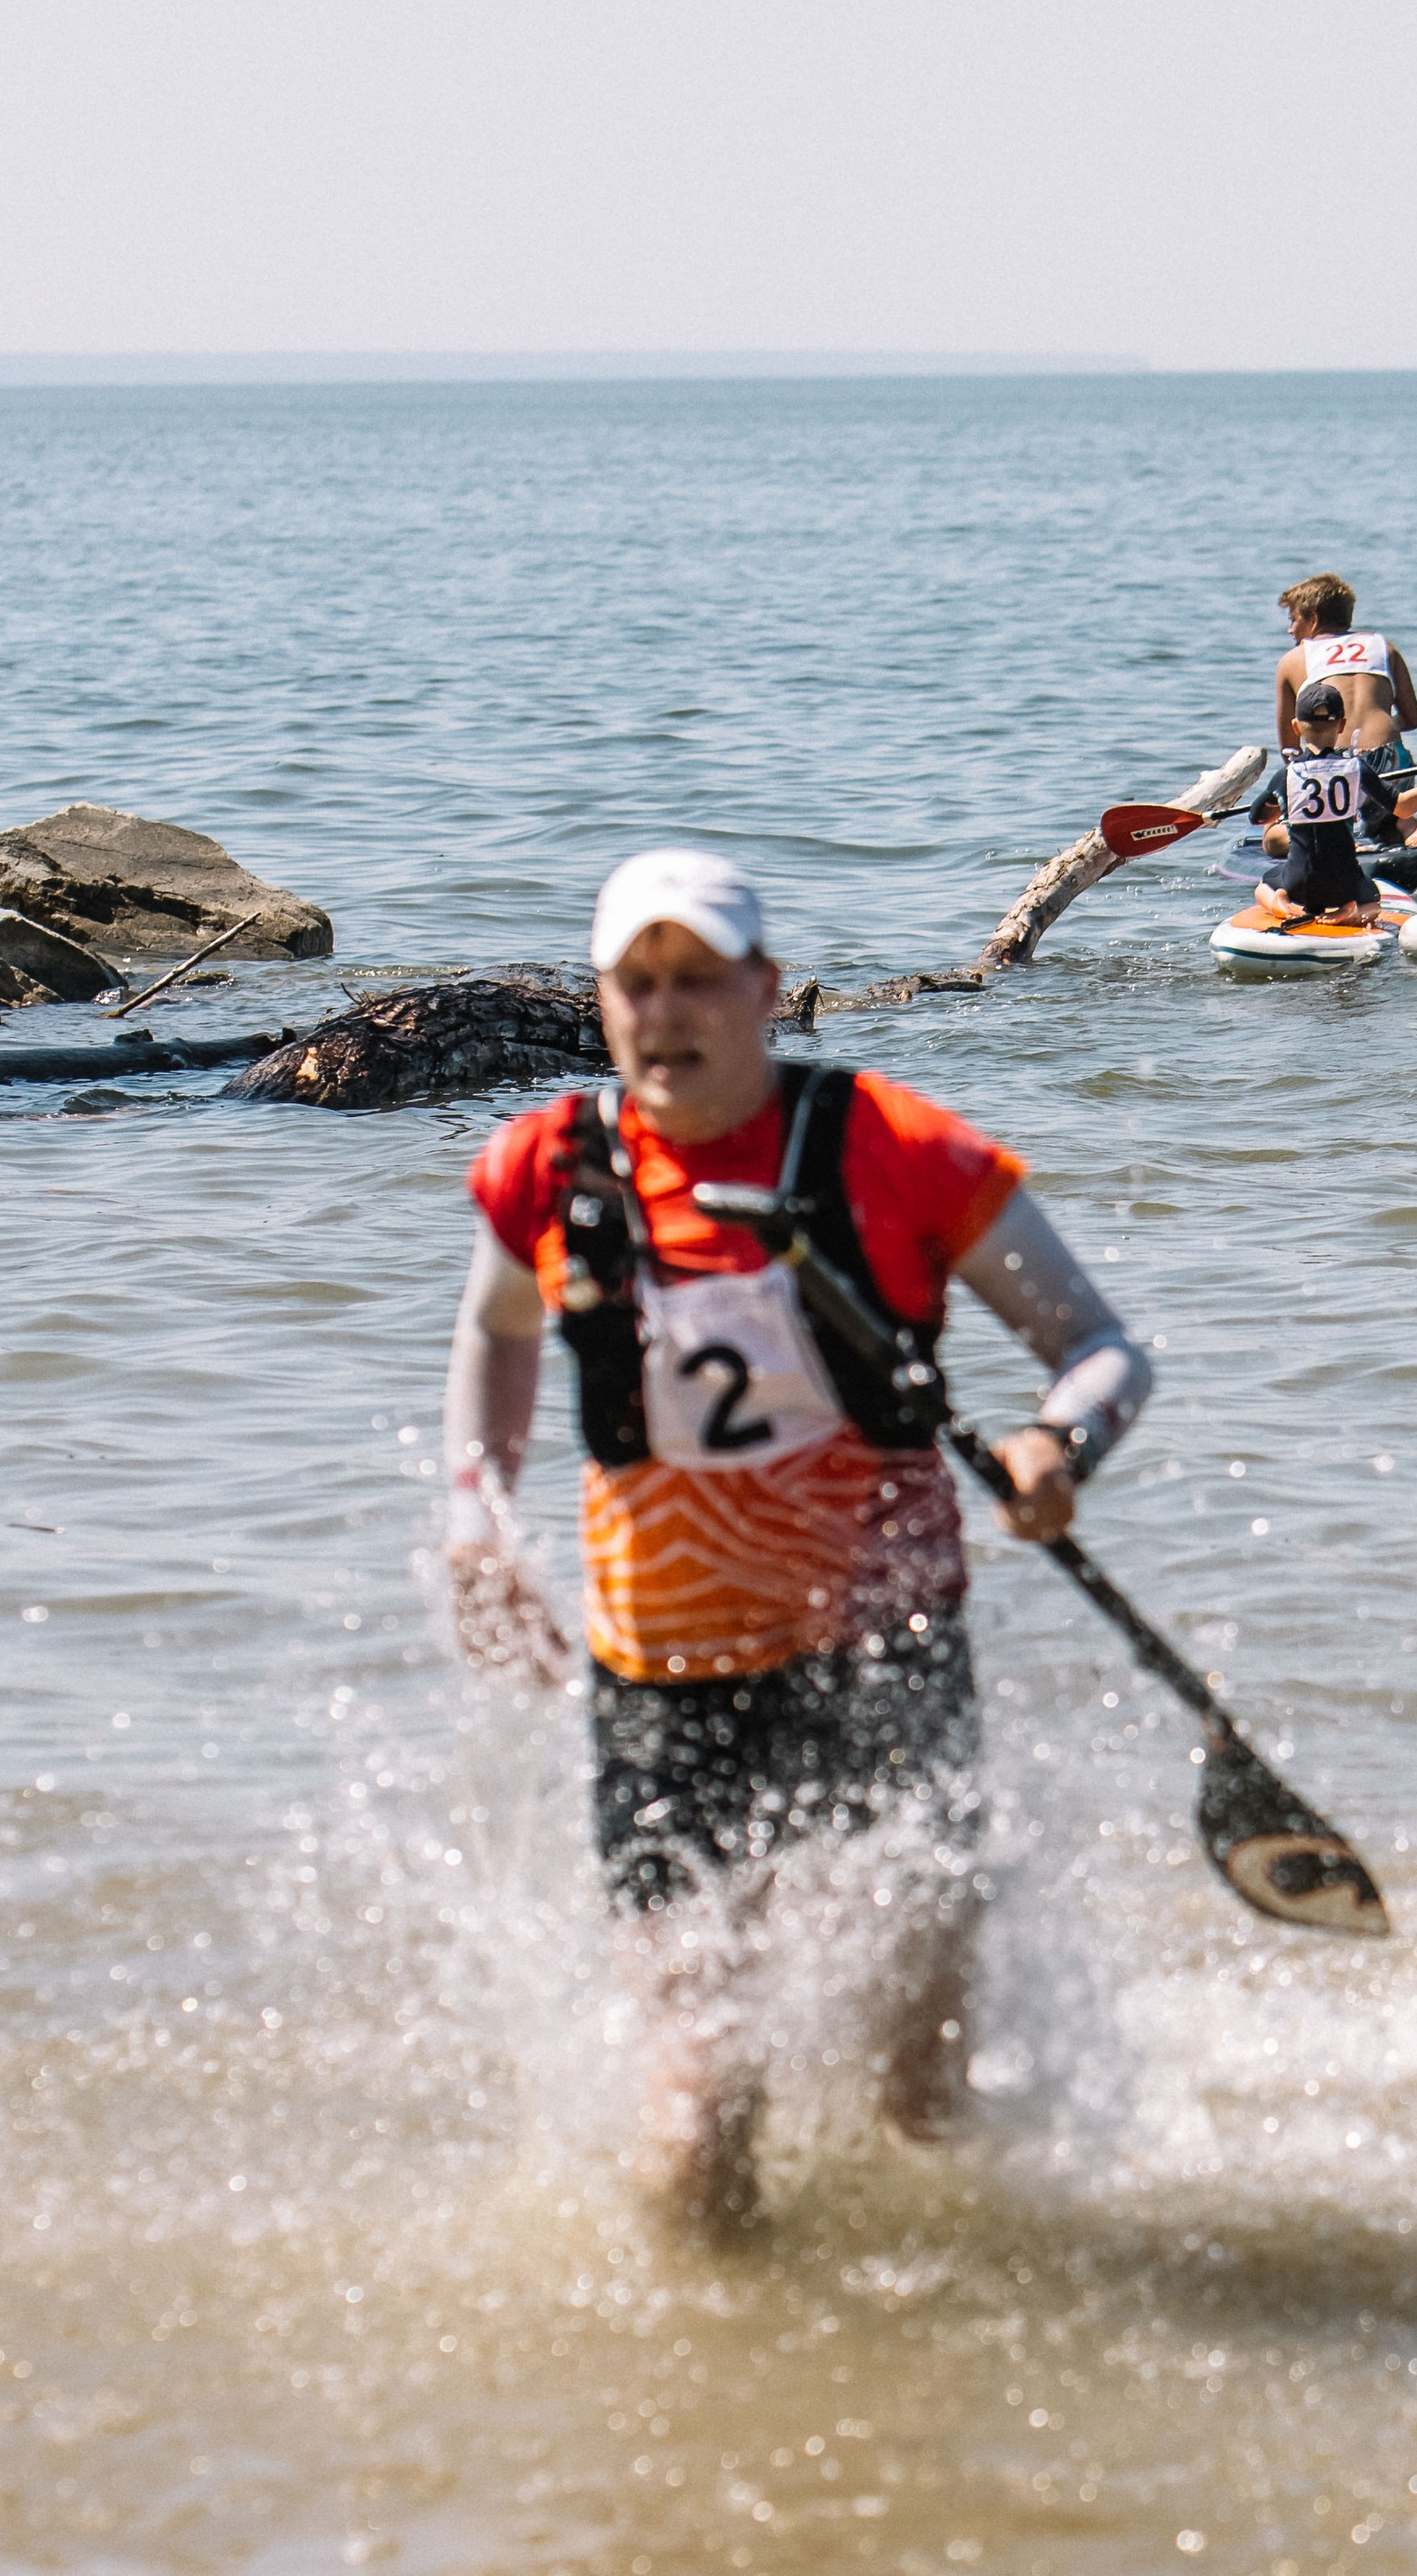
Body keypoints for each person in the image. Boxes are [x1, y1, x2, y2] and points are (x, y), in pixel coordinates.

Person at [441, 847, 1152, 2237]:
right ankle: (721, 2405)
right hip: (662, 1684)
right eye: (636, 984)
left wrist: (1056, 1449)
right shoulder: (549, 1167)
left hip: (881, 1656)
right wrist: (475, 1516)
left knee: (924, 2101)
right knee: (698, 2119)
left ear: (766, 990)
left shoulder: (895, 1146)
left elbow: (1102, 1349)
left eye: (698, 978)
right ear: (602, 1004)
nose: (666, 1011)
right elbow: (496, 1335)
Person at [1259, 683, 1417, 922]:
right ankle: (1352, 909)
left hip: (1298, 882)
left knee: (1265, 883)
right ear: (1342, 725)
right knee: (1373, 901)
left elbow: (1258, 817)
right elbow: (1403, 806)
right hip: (1344, 883)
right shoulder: (1354, 768)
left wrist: (1281, 804)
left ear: (1296, 727)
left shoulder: (1288, 774)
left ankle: (1280, 901)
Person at [1275, 572, 1417, 773]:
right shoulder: (1383, 646)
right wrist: (1384, 723)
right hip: (1389, 757)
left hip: (1337, 764)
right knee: (1395, 801)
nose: (1290, 629)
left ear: (1313, 619)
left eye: (1293, 620)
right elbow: (1412, 719)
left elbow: (1290, 749)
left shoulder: (1293, 658)